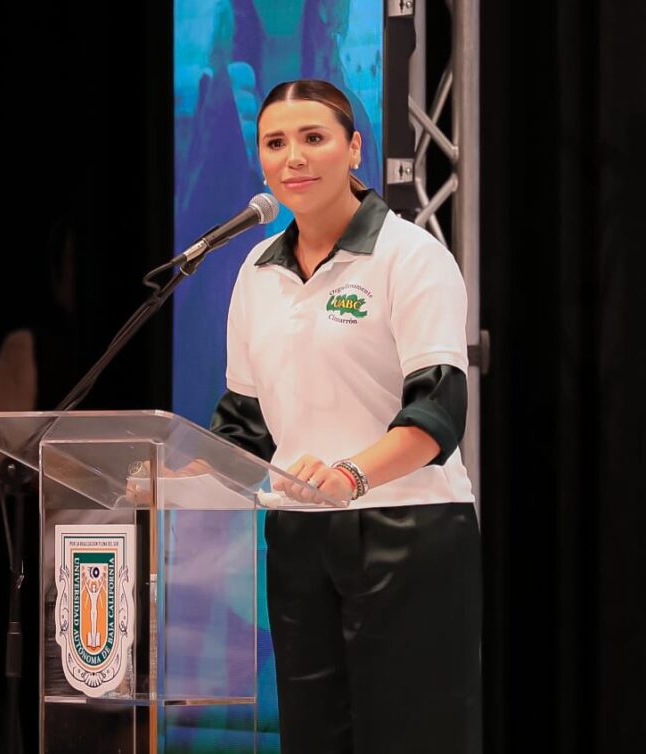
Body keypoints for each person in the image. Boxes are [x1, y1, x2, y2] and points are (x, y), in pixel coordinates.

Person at [210, 79, 480, 753]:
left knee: (409, 736)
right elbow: (241, 422)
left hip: (409, 530)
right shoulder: (255, 271)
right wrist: (175, 472)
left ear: (354, 148)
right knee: (312, 736)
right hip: (299, 536)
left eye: (314, 138)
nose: (293, 158)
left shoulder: (410, 256)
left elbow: (439, 413)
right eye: (275, 143)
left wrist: (349, 476)